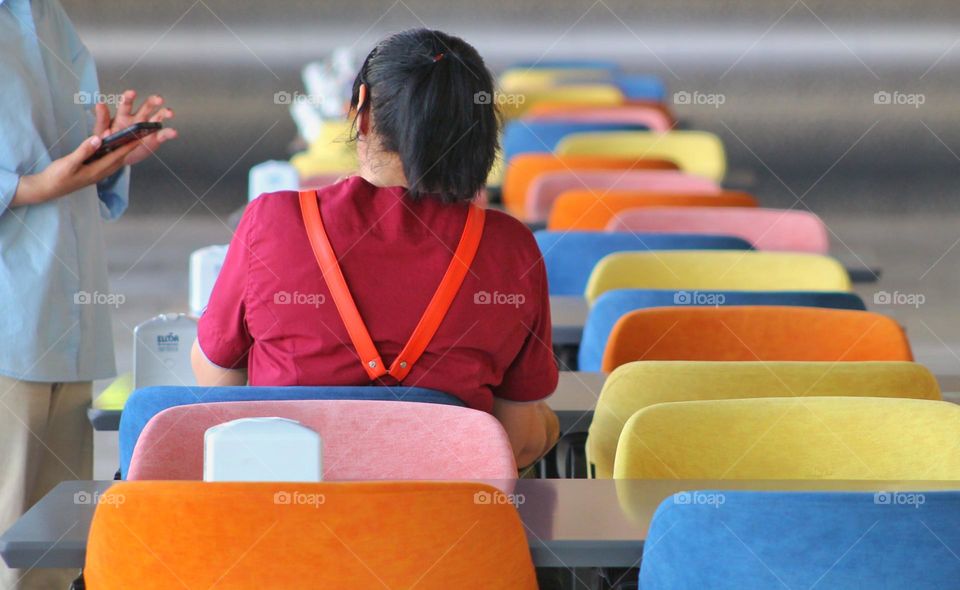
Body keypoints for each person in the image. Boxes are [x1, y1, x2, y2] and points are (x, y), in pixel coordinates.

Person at [193, 28, 559, 469]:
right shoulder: (509, 247)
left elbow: (217, 385)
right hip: (446, 529)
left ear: (361, 110)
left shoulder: (272, 222)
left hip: (284, 523)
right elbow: (514, 442)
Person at [0, 0, 176, 587]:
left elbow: (65, 163)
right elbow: (37, 176)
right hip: (9, 323)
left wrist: (107, 153)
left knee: (58, 548)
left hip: (64, 312)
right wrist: (27, 188)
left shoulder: (48, 18)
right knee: (7, 545)